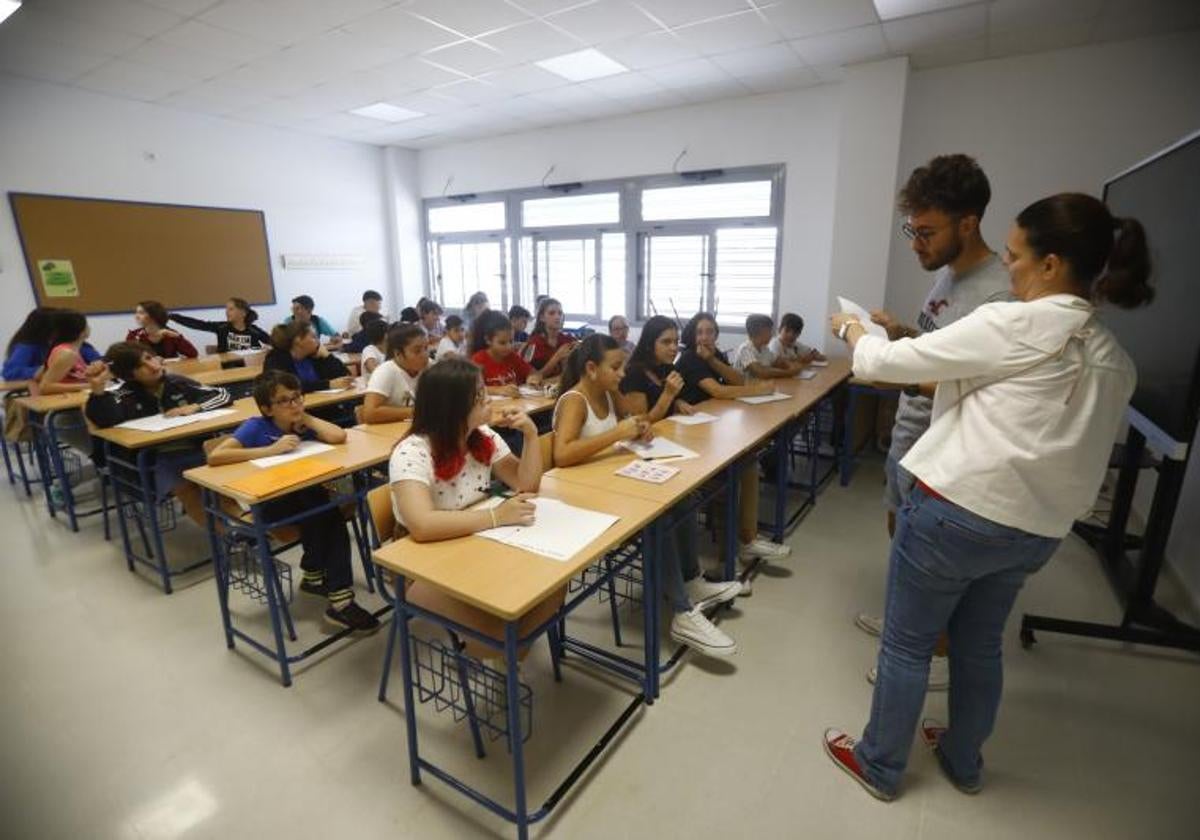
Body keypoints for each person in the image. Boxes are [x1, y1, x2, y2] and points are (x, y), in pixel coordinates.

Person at [822, 192, 1150, 802]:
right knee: (978, 645)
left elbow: (882, 364)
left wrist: (851, 331)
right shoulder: (1114, 358)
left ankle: (880, 764)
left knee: (908, 643)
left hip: (957, 513)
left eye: (1017, 255)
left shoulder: (1014, 321)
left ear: (1052, 265)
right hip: (1035, 533)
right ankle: (962, 759)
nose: (1010, 267)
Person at [854, 154, 1014, 693]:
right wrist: (899, 333)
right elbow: (937, 350)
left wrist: (883, 365)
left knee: (931, 562)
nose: (916, 243)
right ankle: (904, 625)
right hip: (910, 436)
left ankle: (931, 658)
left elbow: (975, 385)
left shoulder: (996, 293)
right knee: (900, 535)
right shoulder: (947, 274)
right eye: (911, 230)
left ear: (967, 223)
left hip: (944, 448)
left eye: (926, 232)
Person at [554, 334, 741, 656]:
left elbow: (633, 421)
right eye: (615, 367)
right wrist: (617, 433)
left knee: (683, 497)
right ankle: (682, 612)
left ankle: (691, 579)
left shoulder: (610, 393)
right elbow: (562, 455)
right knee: (660, 518)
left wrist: (640, 427)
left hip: (612, 483)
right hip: (584, 499)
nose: (622, 374)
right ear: (590, 368)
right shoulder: (575, 400)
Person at [389, 358, 558, 656]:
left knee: (554, 582)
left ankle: (506, 649)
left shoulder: (483, 437)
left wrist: (530, 436)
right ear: (452, 407)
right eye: (480, 396)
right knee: (504, 638)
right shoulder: (412, 450)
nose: (489, 400)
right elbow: (422, 525)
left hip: (475, 542)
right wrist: (495, 516)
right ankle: (497, 651)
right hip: (421, 563)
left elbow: (526, 485)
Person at [209, 371, 379, 633]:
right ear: (267, 409)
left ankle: (313, 575)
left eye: (297, 398)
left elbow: (338, 436)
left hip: (304, 497)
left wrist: (307, 416)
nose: (294, 405)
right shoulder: (256, 427)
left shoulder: (302, 422)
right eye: (284, 401)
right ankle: (341, 602)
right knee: (328, 515)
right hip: (268, 503)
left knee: (321, 506)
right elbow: (217, 456)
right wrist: (269, 451)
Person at [675, 312, 790, 586]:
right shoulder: (690, 359)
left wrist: (714, 359)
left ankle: (747, 539)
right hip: (690, 436)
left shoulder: (711, 356)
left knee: (749, 463)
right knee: (731, 479)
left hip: (711, 427)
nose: (705, 337)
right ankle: (728, 559)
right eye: (700, 332)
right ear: (691, 335)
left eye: (711, 332)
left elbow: (736, 380)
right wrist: (761, 390)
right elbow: (719, 391)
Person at [84, 342, 232, 526]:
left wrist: (195, 407)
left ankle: (243, 527)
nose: (152, 366)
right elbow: (105, 420)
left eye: (149, 358)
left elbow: (222, 394)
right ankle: (228, 537)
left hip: (196, 449)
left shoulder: (177, 383)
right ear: (130, 374)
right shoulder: (122, 395)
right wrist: (98, 390)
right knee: (187, 487)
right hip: (155, 461)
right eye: (140, 366)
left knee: (219, 482)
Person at [619, 315, 696, 422]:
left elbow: (665, 404)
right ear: (649, 344)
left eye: (676, 342)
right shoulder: (633, 373)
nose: (674, 348)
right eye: (666, 342)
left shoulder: (667, 367)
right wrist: (668, 394)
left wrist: (677, 403)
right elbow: (640, 423)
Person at [4, 307, 101, 380]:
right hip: (37, 393)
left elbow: (98, 360)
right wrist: (47, 370)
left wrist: (98, 365)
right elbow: (10, 372)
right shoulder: (27, 346)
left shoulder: (75, 344)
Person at [362, 324, 428, 424]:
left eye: (426, 348)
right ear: (398, 353)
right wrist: (417, 412)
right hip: (388, 433)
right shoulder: (385, 371)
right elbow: (369, 413)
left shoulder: (430, 366)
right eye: (417, 351)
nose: (425, 355)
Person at [263, 321, 353, 394]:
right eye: (313, 337)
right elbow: (287, 386)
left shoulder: (315, 356)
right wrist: (328, 384)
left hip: (324, 404)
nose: (318, 341)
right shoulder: (276, 358)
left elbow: (345, 375)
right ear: (298, 340)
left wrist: (328, 357)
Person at [470, 310, 542, 398]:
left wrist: (532, 378)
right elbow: (472, 389)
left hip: (516, 406)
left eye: (511, 341)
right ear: (488, 340)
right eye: (502, 343)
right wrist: (498, 390)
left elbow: (535, 373)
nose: (508, 347)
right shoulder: (478, 359)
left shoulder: (511, 356)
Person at [168, 297, 271, 353]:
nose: (227, 312)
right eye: (226, 309)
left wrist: (267, 349)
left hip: (250, 367)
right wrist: (173, 316)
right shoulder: (222, 328)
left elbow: (273, 342)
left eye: (231, 309)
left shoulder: (254, 331)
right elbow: (198, 324)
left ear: (243, 313)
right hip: (228, 368)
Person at [33, 310, 99, 395]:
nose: (89, 327)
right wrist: (89, 385)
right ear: (80, 332)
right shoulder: (67, 353)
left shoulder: (70, 350)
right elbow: (45, 387)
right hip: (68, 402)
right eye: (86, 324)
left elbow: (38, 375)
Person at [732, 314, 796, 380]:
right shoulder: (745, 349)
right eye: (769, 331)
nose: (772, 334)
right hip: (743, 388)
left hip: (760, 387)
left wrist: (791, 366)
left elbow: (778, 362)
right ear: (761, 331)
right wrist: (788, 373)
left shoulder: (764, 348)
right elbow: (761, 372)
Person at [524, 297, 576, 376]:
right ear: (542, 318)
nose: (557, 317)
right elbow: (531, 376)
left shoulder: (568, 340)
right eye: (551, 313)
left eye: (560, 313)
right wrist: (557, 357)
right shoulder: (533, 343)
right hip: (540, 386)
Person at [127, 300, 198, 359]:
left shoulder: (170, 333)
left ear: (154, 315)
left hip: (171, 371)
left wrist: (178, 337)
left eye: (141, 313)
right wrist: (151, 359)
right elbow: (128, 359)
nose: (136, 316)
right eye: (136, 313)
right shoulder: (134, 335)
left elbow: (193, 354)